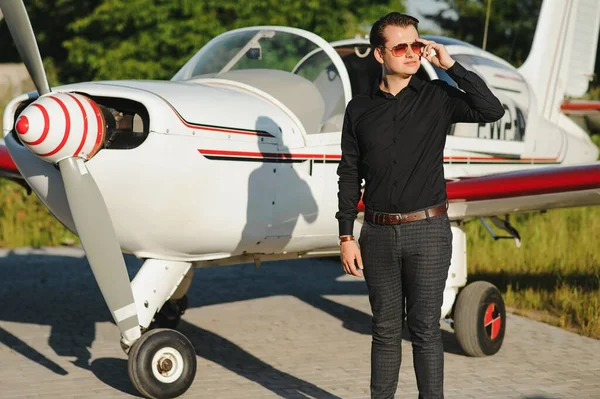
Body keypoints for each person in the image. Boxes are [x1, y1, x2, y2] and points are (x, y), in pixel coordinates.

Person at [335, 12, 504, 399]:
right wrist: (347, 234)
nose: (411, 53)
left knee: (427, 331)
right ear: (380, 54)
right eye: (400, 46)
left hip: (428, 232)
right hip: (376, 235)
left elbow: (491, 110)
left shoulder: (438, 97)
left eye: (416, 45)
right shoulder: (358, 110)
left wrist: (451, 66)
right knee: (385, 331)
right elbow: (349, 173)